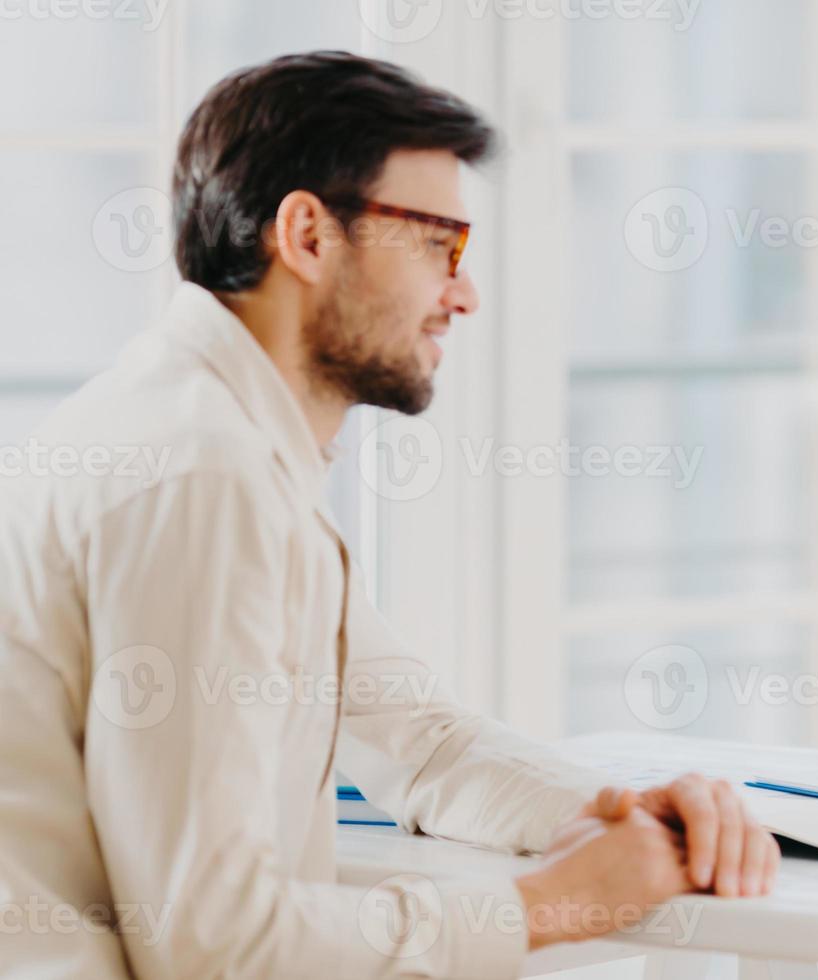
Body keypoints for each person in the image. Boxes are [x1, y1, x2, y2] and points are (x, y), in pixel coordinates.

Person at [0, 51, 777, 979]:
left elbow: (421, 743)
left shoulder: (223, 441)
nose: (465, 293)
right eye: (438, 243)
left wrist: (621, 813)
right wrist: (549, 905)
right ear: (308, 236)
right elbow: (212, 945)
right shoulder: (204, 478)